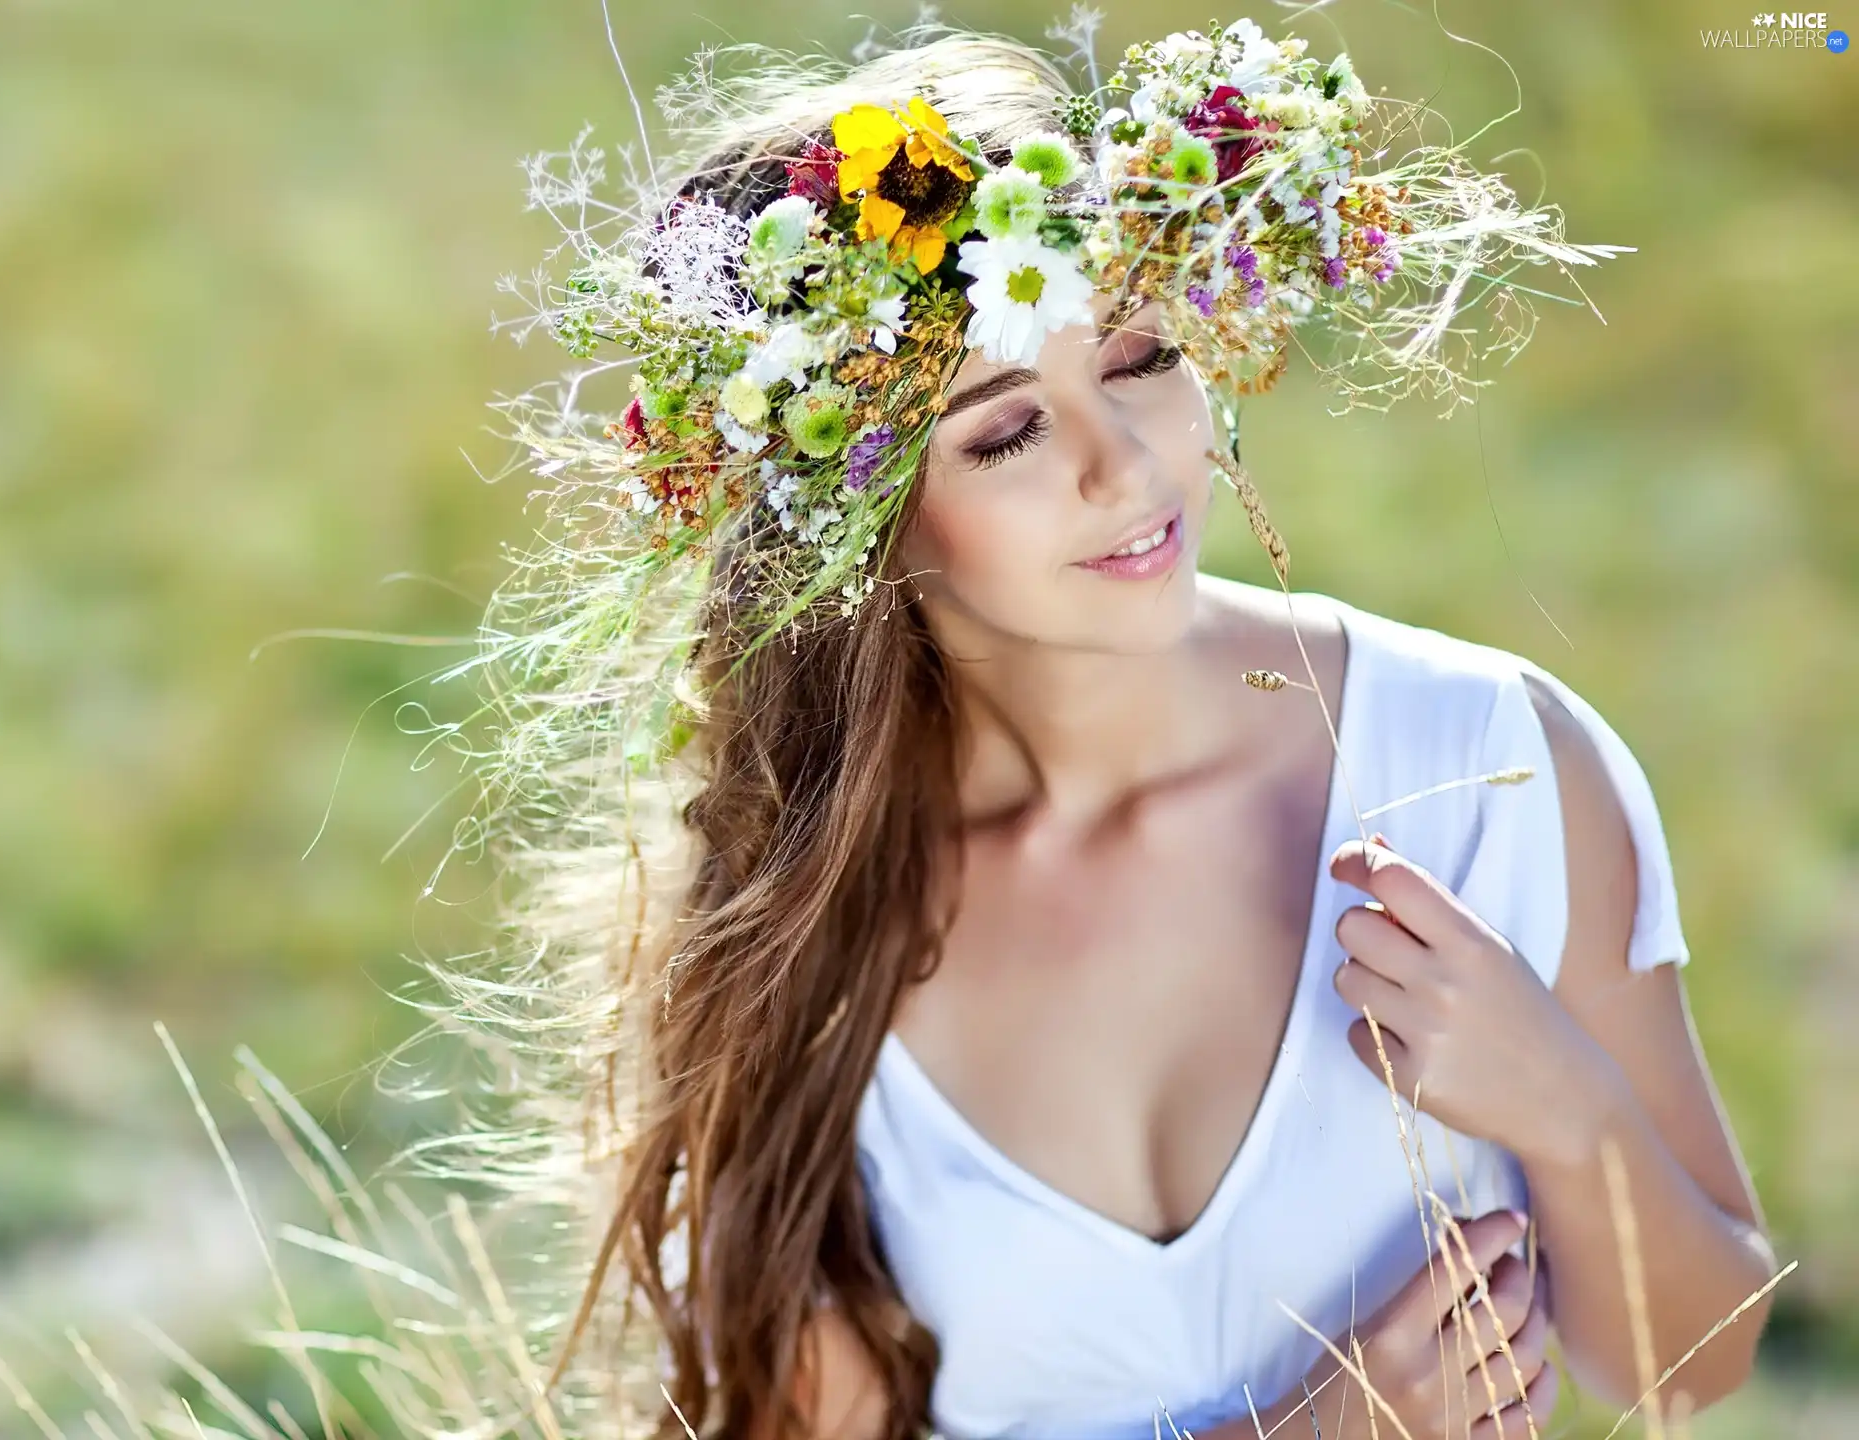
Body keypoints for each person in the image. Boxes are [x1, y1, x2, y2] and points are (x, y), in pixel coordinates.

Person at [449, 17, 1780, 1440]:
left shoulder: (1492, 763)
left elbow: (1691, 1369)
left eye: (1139, 355)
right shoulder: (809, 920)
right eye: (1006, 434)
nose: (1121, 463)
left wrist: (1569, 1109)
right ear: (859, 526)